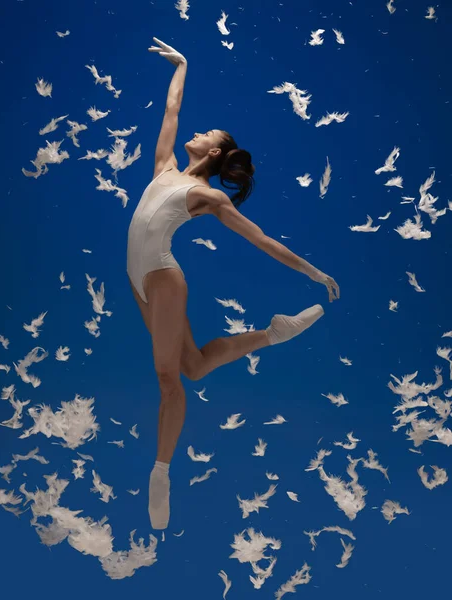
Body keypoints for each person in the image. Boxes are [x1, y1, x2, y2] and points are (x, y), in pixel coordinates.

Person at [126, 37, 340, 531]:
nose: (194, 132)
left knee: (168, 381)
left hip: (161, 276)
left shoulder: (205, 197)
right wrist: (183, 64)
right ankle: (273, 334)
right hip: (139, 279)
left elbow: (261, 240)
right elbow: (172, 110)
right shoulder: (165, 168)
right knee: (195, 367)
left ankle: (161, 474)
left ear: (216, 150)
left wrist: (311, 270)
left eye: (207, 133)